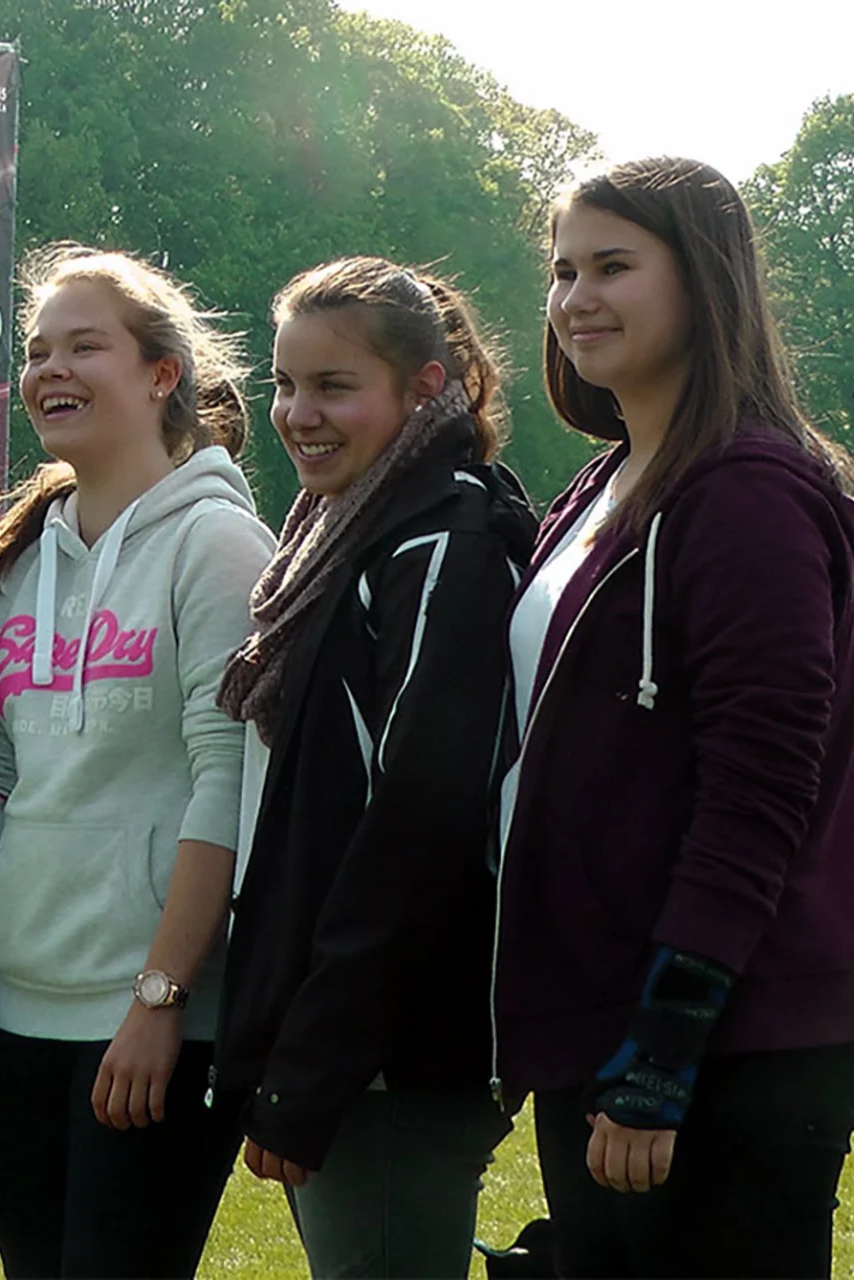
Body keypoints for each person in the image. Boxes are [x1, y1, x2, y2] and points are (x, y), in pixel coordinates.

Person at [494, 157, 854, 1279]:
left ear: (705, 280)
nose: (576, 298)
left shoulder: (749, 492)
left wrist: (665, 1046)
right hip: (597, 1008)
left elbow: (759, 792)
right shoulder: (603, 484)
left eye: (614, 266)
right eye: (563, 271)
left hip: (729, 1033)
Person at [0, 246, 275, 1279]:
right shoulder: (21, 557)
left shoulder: (218, 545)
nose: (50, 370)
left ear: (163, 373)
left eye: (84, 347)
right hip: (11, 1016)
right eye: (39, 351)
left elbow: (226, 782)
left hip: (151, 1020)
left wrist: (163, 1000)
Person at [211, 258, 536, 1279]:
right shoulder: (349, 530)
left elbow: (418, 833)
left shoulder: (446, 544)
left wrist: (314, 1064)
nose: (298, 414)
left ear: (425, 387)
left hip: (394, 1055)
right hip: (355, 1044)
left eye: (334, 386)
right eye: (284, 383)